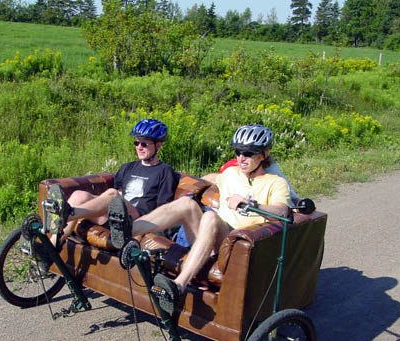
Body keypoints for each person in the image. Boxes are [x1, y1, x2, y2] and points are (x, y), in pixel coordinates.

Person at [107, 124, 293, 314]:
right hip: (207, 240)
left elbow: (282, 210)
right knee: (186, 205)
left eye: (248, 153)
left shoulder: (275, 183)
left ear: (263, 155)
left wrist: (252, 205)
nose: (241, 158)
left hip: (234, 247)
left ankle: (178, 286)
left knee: (211, 217)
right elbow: (212, 177)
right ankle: (127, 231)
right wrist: (189, 185)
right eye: (238, 152)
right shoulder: (230, 174)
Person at [43, 119, 179, 247]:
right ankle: (51, 247)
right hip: (115, 218)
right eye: (136, 143)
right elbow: (114, 197)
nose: (139, 147)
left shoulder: (165, 171)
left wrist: (143, 225)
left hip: (137, 221)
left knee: (114, 196)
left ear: (159, 145)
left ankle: (68, 213)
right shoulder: (127, 167)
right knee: (79, 195)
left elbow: (162, 209)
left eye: (144, 144)